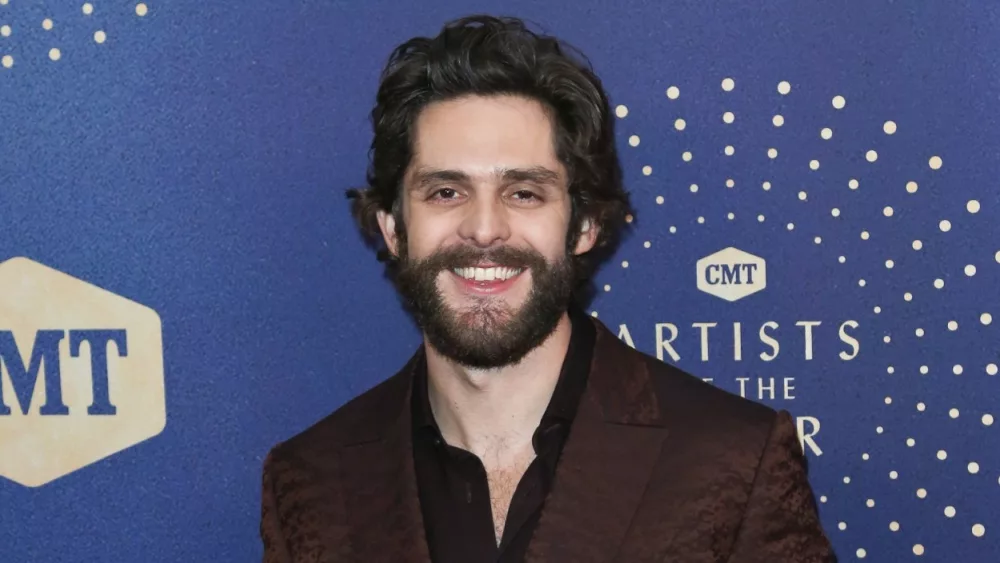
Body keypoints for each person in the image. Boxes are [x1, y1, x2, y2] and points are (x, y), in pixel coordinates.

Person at [259, 14, 837, 563]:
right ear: (392, 227)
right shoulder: (309, 482)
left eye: (524, 193)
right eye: (445, 192)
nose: (484, 228)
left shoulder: (731, 460)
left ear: (584, 225)